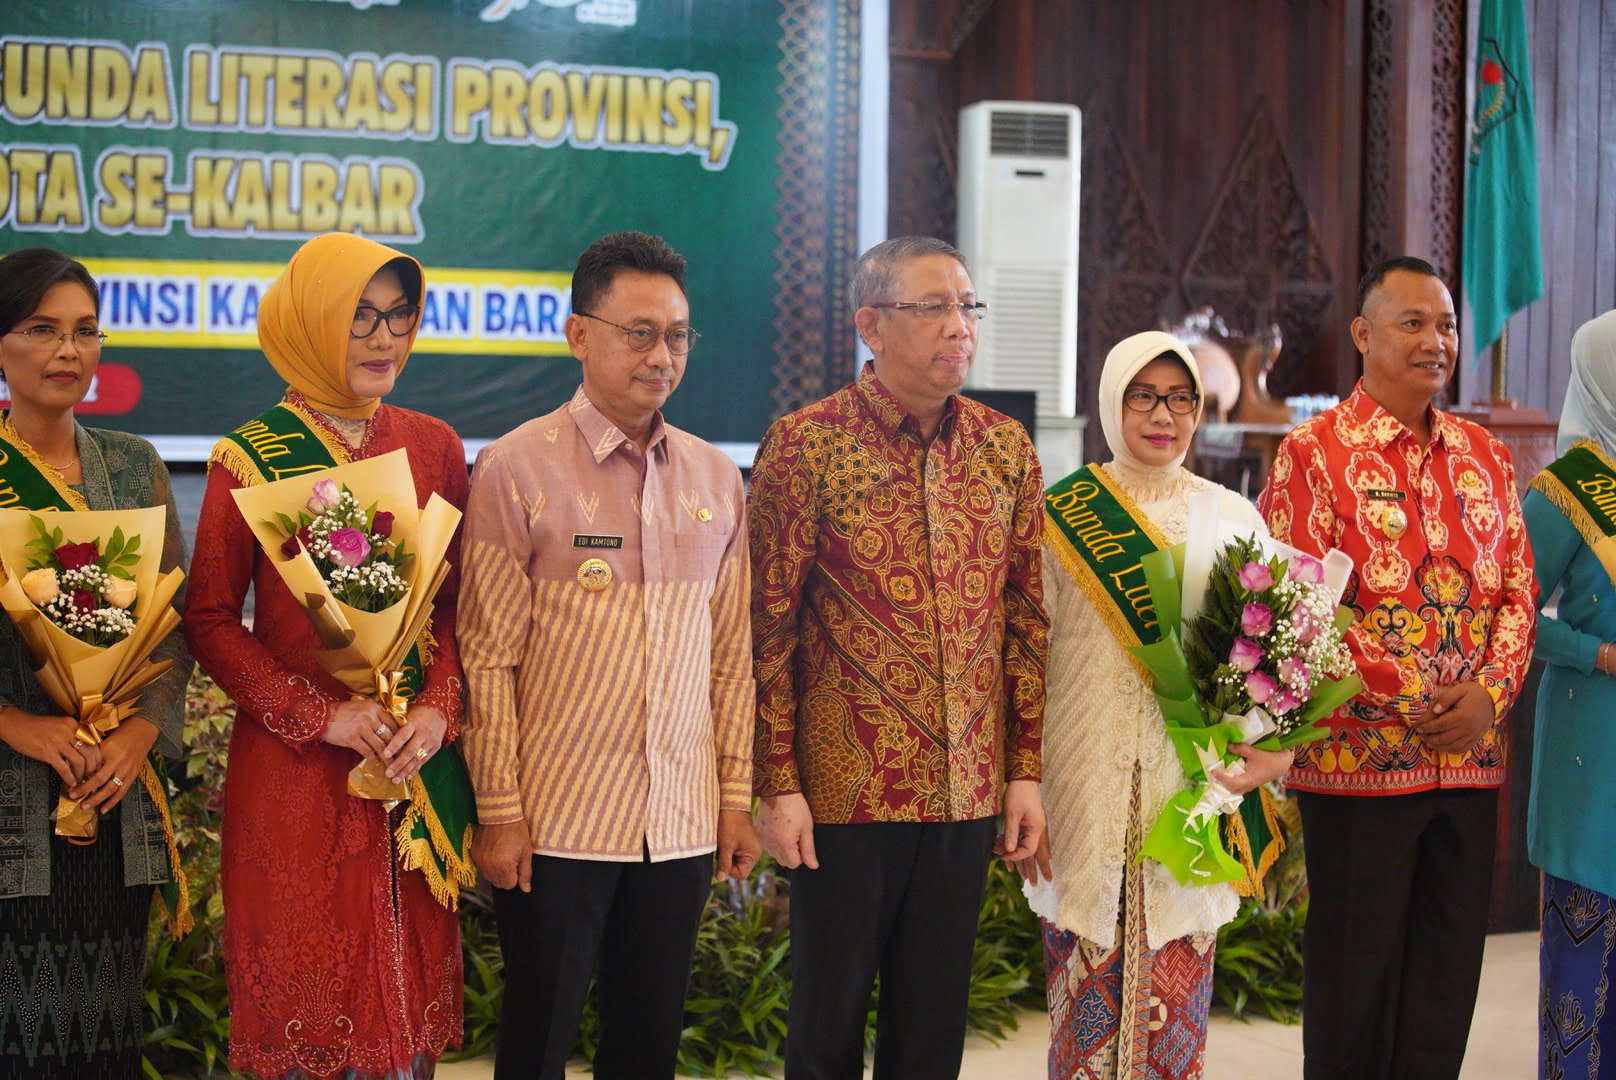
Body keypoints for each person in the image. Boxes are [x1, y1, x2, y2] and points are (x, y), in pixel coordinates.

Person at [457, 231, 759, 1080]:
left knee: (647, 1046)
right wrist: (503, 810)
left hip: (680, 826)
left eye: (677, 335)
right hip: (556, 828)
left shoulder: (715, 478)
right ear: (578, 333)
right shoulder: (517, 469)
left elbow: (731, 658)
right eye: (638, 332)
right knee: (537, 1043)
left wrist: (733, 798)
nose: (661, 355)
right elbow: (486, 658)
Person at [748, 235, 1048, 1079]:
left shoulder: (1004, 448)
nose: (959, 326)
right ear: (870, 325)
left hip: (963, 790)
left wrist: (1023, 769)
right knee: (827, 1028)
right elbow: (763, 630)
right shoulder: (805, 445)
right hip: (844, 795)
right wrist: (777, 783)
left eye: (966, 306)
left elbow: (1027, 618)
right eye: (934, 308)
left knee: (931, 1033)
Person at [185, 233, 468, 1079]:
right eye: (360, 318)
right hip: (298, 772)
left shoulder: (435, 446)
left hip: (410, 768)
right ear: (310, 323)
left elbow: (454, 611)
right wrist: (320, 716)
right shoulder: (248, 455)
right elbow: (208, 617)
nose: (386, 338)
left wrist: (437, 709)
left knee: (406, 1033)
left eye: (399, 317)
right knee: (313, 1016)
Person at [1257, 255, 1537, 1079]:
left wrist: (1488, 694)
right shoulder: (1312, 454)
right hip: (1357, 766)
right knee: (1356, 983)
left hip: (1470, 763)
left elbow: (1519, 589)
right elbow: (1302, 603)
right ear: (1363, 334)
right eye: (1413, 323)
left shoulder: (1485, 453)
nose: (1434, 341)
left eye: (1446, 325)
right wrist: (1418, 698)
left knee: (1445, 983)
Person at [1017, 330, 1294, 1079]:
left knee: (1176, 1007)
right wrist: (1024, 780)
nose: (1162, 414)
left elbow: (1273, 663)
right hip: (1080, 783)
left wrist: (1272, 746)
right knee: (1084, 1008)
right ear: (1112, 401)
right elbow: (1024, 656)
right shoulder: (1059, 512)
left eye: (1180, 398)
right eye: (1144, 395)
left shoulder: (1235, 516)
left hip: (1191, 789)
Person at [0, 247, 193, 1079]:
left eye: (84, 331)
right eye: (42, 329)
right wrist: (23, 728)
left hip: (113, 807)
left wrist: (143, 732)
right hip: (11, 802)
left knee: (105, 1041)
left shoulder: (133, 465)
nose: (67, 351)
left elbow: (175, 627)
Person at [1521, 308, 1616, 1077]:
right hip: (1593, 758)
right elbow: (1504, 621)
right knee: (1581, 987)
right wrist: (1600, 654)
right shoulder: (1567, 491)